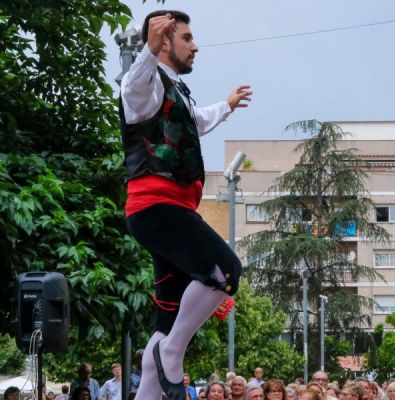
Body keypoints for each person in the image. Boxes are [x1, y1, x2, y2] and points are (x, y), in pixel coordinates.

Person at [120, 9, 252, 400]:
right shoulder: (145, 86)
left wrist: (227, 105)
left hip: (169, 210)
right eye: (187, 38)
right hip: (157, 208)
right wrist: (147, 49)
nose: (195, 46)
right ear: (163, 41)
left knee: (168, 316)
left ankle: (158, 365)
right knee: (224, 269)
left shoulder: (173, 90)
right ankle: (172, 352)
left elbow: (195, 120)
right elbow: (131, 89)